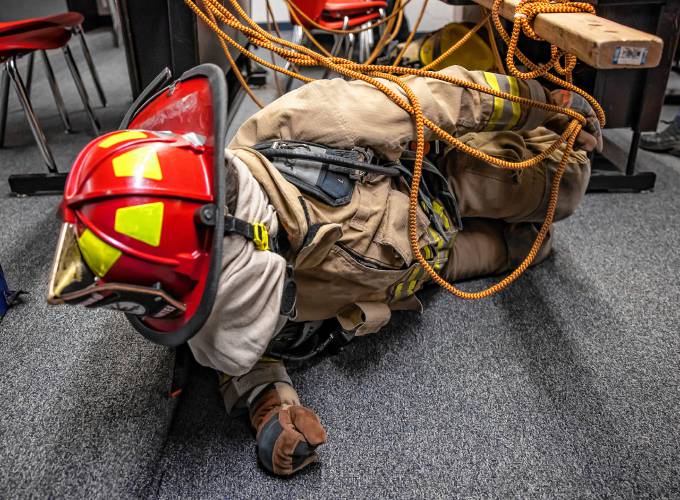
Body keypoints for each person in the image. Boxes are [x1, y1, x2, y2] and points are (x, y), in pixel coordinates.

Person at [48, 64, 601, 476]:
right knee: (520, 250)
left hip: (435, 179)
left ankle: (569, 145)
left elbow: (433, 99)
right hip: (415, 277)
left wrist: (535, 101)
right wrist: (271, 412)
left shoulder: (301, 126)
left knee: (562, 188)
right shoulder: (202, 299)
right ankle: (528, 245)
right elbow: (244, 353)